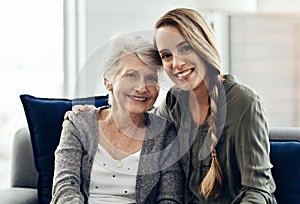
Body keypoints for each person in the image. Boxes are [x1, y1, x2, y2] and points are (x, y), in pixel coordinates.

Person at [66, 8, 277, 204]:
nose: (176, 63)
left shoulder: (243, 103)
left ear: (203, 45)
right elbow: (136, 117)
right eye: (166, 55)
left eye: (185, 48)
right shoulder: (174, 102)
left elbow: (258, 190)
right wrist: (91, 115)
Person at [50, 34, 184, 204]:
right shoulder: (78, 124)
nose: (142, 87)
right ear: (108, 81)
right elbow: (65, 189)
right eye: (131, 75)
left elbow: (170, 198)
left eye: (150, 78)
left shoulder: (165, 133)